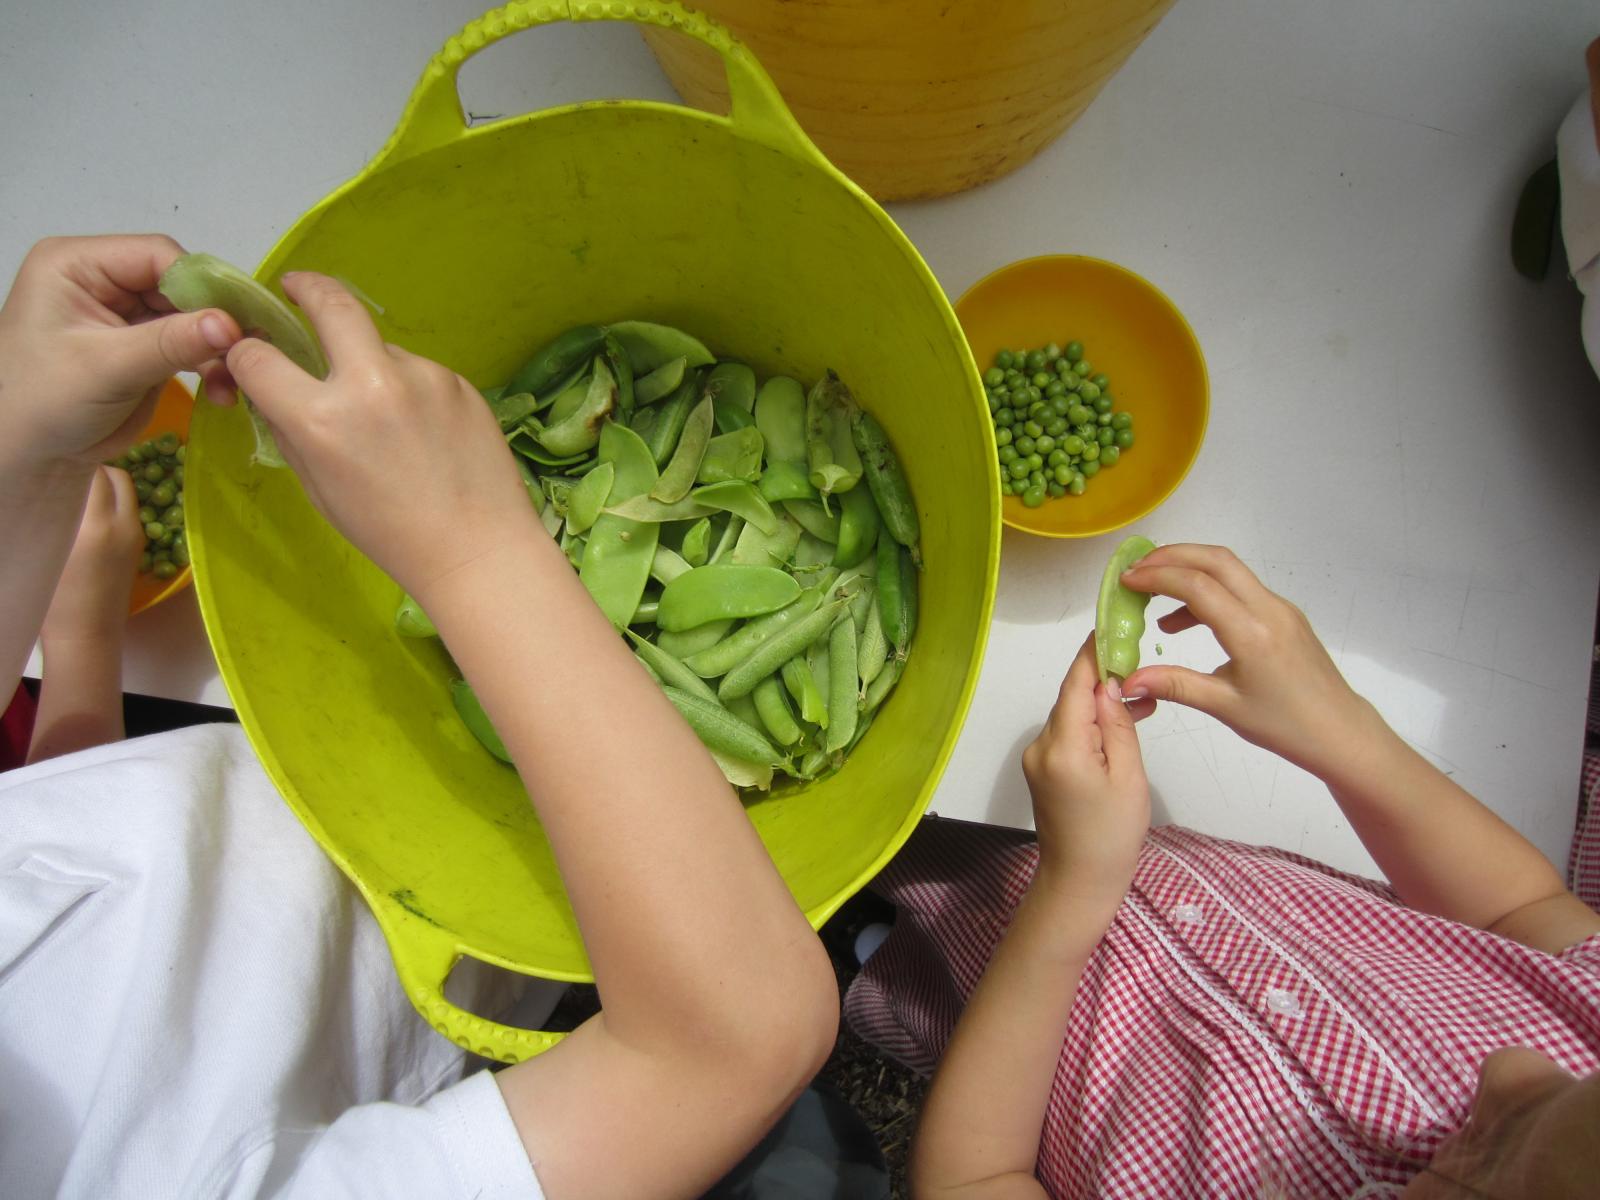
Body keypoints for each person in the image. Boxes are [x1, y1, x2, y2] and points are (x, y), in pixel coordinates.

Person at [0, 234, 839, 1198]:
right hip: (532, 919)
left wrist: (31, 469)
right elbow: (734, 1041)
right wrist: (472, 547)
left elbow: (48, 884)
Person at [845, 544, 1600, 1199]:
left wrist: (1071, 890)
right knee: (938, 830)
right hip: (1140, 857)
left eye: (1506, 1134)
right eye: (1575, 1087)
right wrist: (1345, 731)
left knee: (904, 900)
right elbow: (1521, 911)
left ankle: (877, 941)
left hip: (1004, 986)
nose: (1509, 1069)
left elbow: (969, 1181)